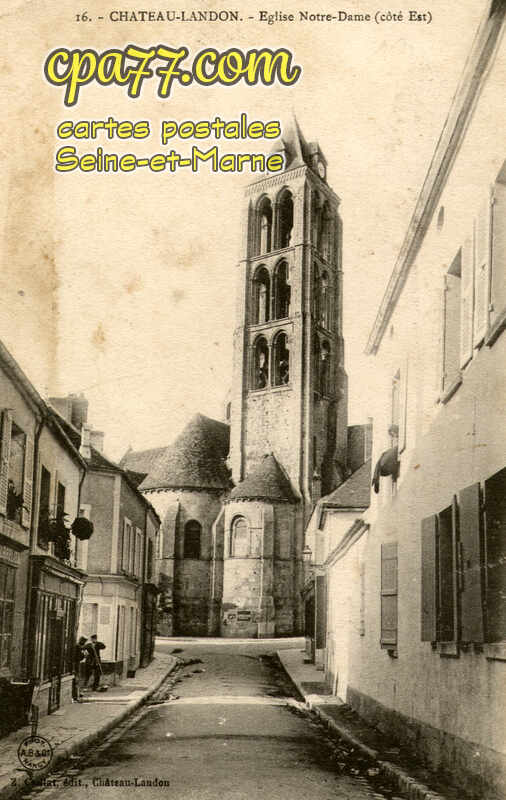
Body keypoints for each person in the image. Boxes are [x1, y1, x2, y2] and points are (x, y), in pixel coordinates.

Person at [73, 636, 87, 701]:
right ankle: (76, 696)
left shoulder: (79, 647)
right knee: (77, 680)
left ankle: (77, 694)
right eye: (84, 641)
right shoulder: (79, 647)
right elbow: (79, 657)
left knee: (77, 680)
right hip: (76, 665)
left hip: (77, 665)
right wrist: (84, 655)